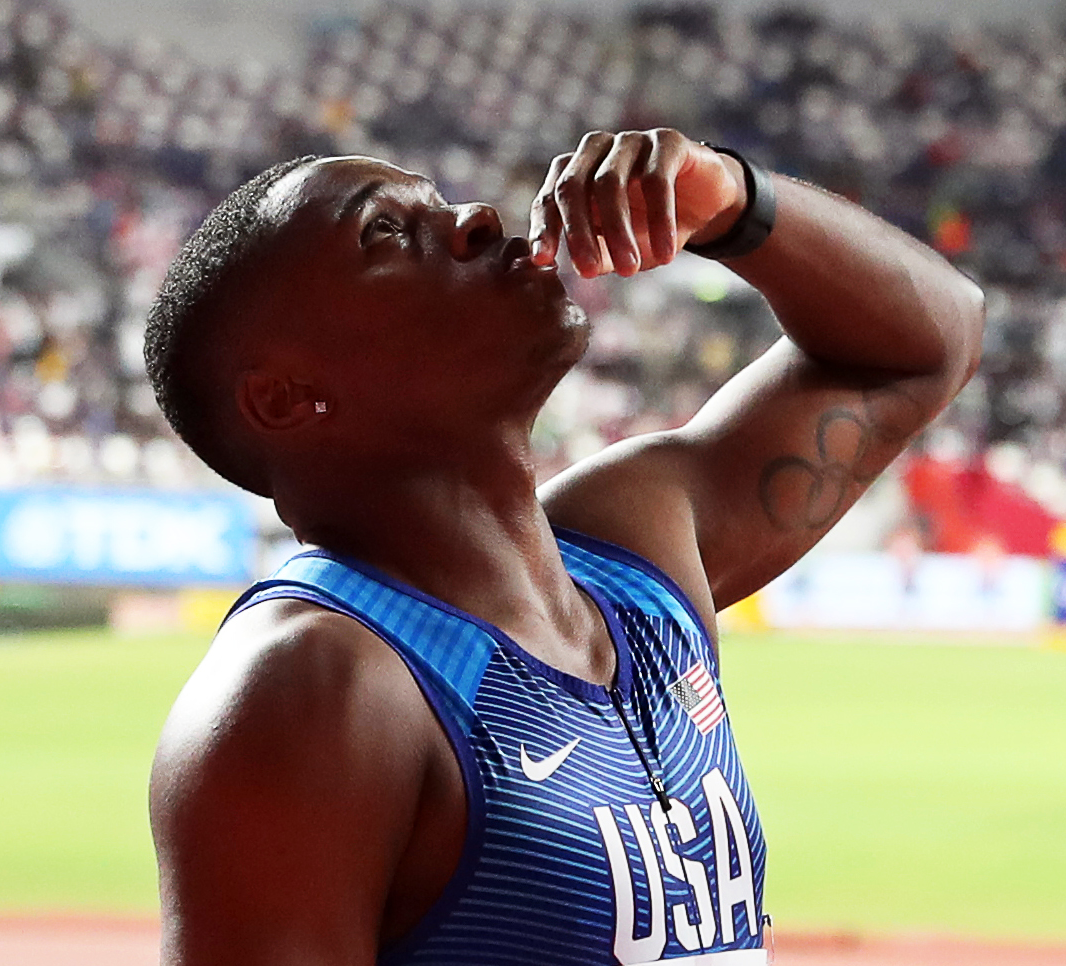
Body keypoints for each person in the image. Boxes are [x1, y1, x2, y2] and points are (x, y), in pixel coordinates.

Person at [144, 127, 984, 966]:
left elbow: (933, 340)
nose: (475, 218)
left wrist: (731, 200)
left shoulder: (638, 549)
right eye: (386, 232)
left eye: (439, 201)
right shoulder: (313, 688)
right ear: (286, 398)